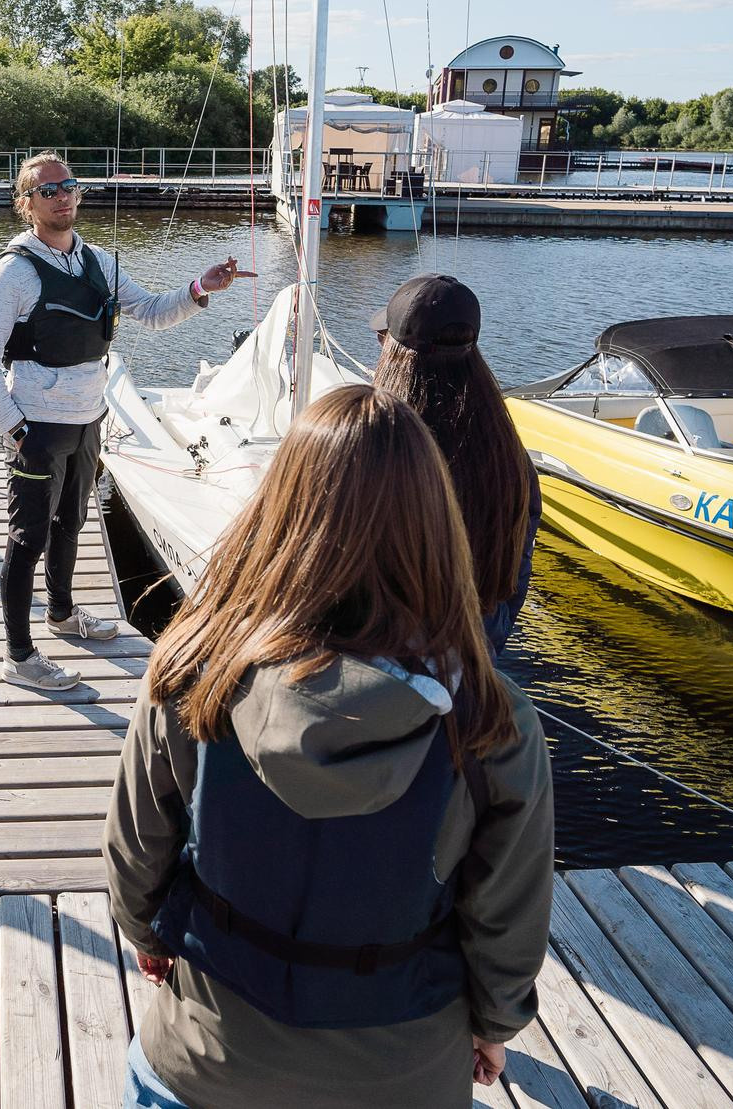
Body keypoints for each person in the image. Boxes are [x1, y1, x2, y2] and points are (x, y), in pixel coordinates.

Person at [105, 385, 554, 1109]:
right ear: (435, 526)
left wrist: (144, 932)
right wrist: (496, 1022)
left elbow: (136, 849)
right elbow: (509, 910)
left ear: (281, 509)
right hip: (401, 1076)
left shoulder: (194, 669)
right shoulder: (493, 724)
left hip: (205, 1062)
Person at [0, 151, 246, 689]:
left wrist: (200, 288)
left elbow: (152, 311)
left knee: (71, 524)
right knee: (27, 539)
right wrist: (17, 431)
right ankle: (19, 656)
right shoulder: (11, 273)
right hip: (37, 427)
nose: (63, 196)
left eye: (69, 185)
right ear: (26, 204)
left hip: (90, 418)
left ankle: (63, 613)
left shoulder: (99, 262)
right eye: (48, 191)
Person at [371, 273, 539, 658]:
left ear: (395, 356)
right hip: (474, 661)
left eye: (383, 340)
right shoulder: (510, 459)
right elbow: (513, 582)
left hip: (382, 674)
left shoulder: (376, 447)